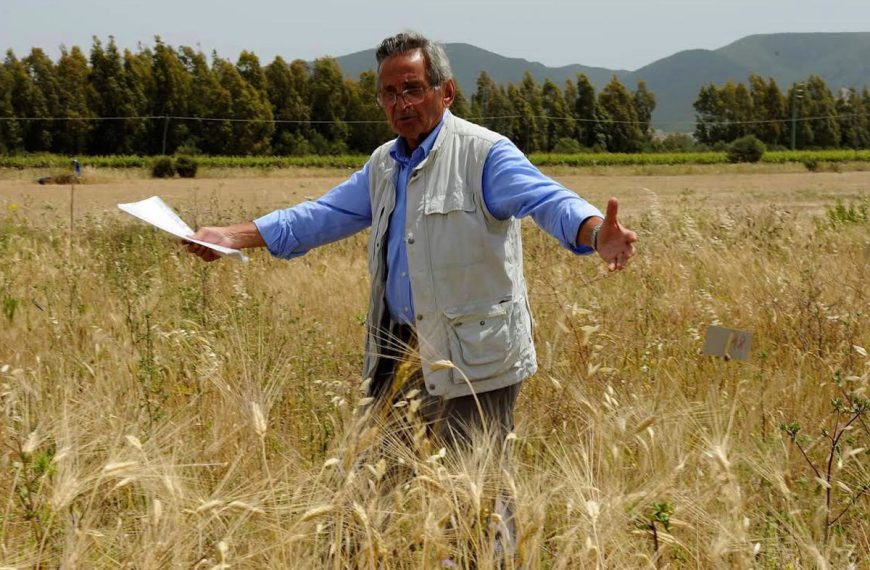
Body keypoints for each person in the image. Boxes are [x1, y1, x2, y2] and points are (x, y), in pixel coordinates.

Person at [185, 30, 636, 538]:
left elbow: (549, 200)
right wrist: (233, 235)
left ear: (445, 92)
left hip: (474, 357)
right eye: (389, 93)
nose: (401, 103)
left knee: (476, 496)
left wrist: (595, 232)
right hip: (402, 352)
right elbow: (320, 215)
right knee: (367, 485)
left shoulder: (483, 154)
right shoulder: (383, 165)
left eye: (413, 88)